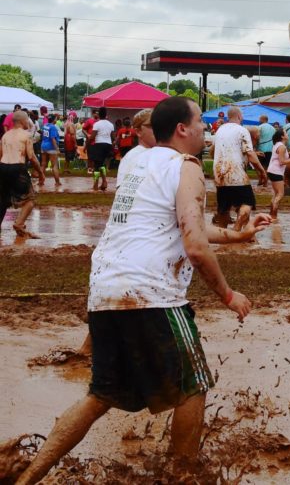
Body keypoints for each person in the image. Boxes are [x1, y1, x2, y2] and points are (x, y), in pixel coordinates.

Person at [15, 97, 270, 485]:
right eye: (201, 121)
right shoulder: (186, 168)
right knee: (193, 387)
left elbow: (170, 224)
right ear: (183, 129)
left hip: (105, 289)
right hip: (151, 293)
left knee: (100, 397)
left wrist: (238, 236)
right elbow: (195, 245)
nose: (206, 129)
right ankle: (181, 477)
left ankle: (27, 477)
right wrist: (228, 295)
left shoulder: (136, 160)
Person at [211, 106, 267, 230]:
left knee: (224, 207)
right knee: (247, 203)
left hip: (219, 173)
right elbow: (250, 154)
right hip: (236, 172)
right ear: (239, 116)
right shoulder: (242, 130)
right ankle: (236, 229)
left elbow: (213, 150)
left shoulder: (220, 130)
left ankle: (223, 233)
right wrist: (262, 171)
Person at [0, 110, 44, 238]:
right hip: (17, 167)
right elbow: (31, 157)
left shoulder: (5, 135)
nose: (28, 122)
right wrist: (40, 172)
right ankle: (19, 224)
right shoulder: (26, 135)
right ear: (22, 121)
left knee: (3, 200)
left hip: (2, 167)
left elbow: (1, 155)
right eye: (27, 119)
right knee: (30, 199)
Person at [266, 128, 290, 220]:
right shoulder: (282, 147)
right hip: (276, 172)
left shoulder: (278, 145)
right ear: (282, 136)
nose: (287, 134)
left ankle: (271, 214)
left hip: (272, 171)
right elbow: (282, 162)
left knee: (276, 194)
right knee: (280, 194)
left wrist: (289, 154)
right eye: (286, 133)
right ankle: (273, 215)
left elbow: (279, 157)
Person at [116, 109, 156, 186]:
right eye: (151, 125)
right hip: (127, 147)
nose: (158, 128)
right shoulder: (131, 157)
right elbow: (121, 188)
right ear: (138, 131)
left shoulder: (165, 153)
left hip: (126, 146)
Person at [88, 107, 115, 191]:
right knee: (101, 164)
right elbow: (112, 137)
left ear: (98, 115)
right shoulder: (111, 124)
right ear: (106, 115)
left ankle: (95, 185)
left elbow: (92, 137)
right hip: (108, 145)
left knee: (96, 165)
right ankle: (104, 182)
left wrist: (89, 138)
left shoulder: (97, 124)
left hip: (99, 144)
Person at [40, 114, 61, 186]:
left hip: (43, 145)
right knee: (54, 165)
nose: (56, 120)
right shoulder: (53, 127)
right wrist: (57, 149)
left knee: (43, 164)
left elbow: (43, 135)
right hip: (51, 147)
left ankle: (41, 181)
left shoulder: (45, 125)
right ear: (53, 120)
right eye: (56, 119)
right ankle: (57, 182)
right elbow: (53, 139)